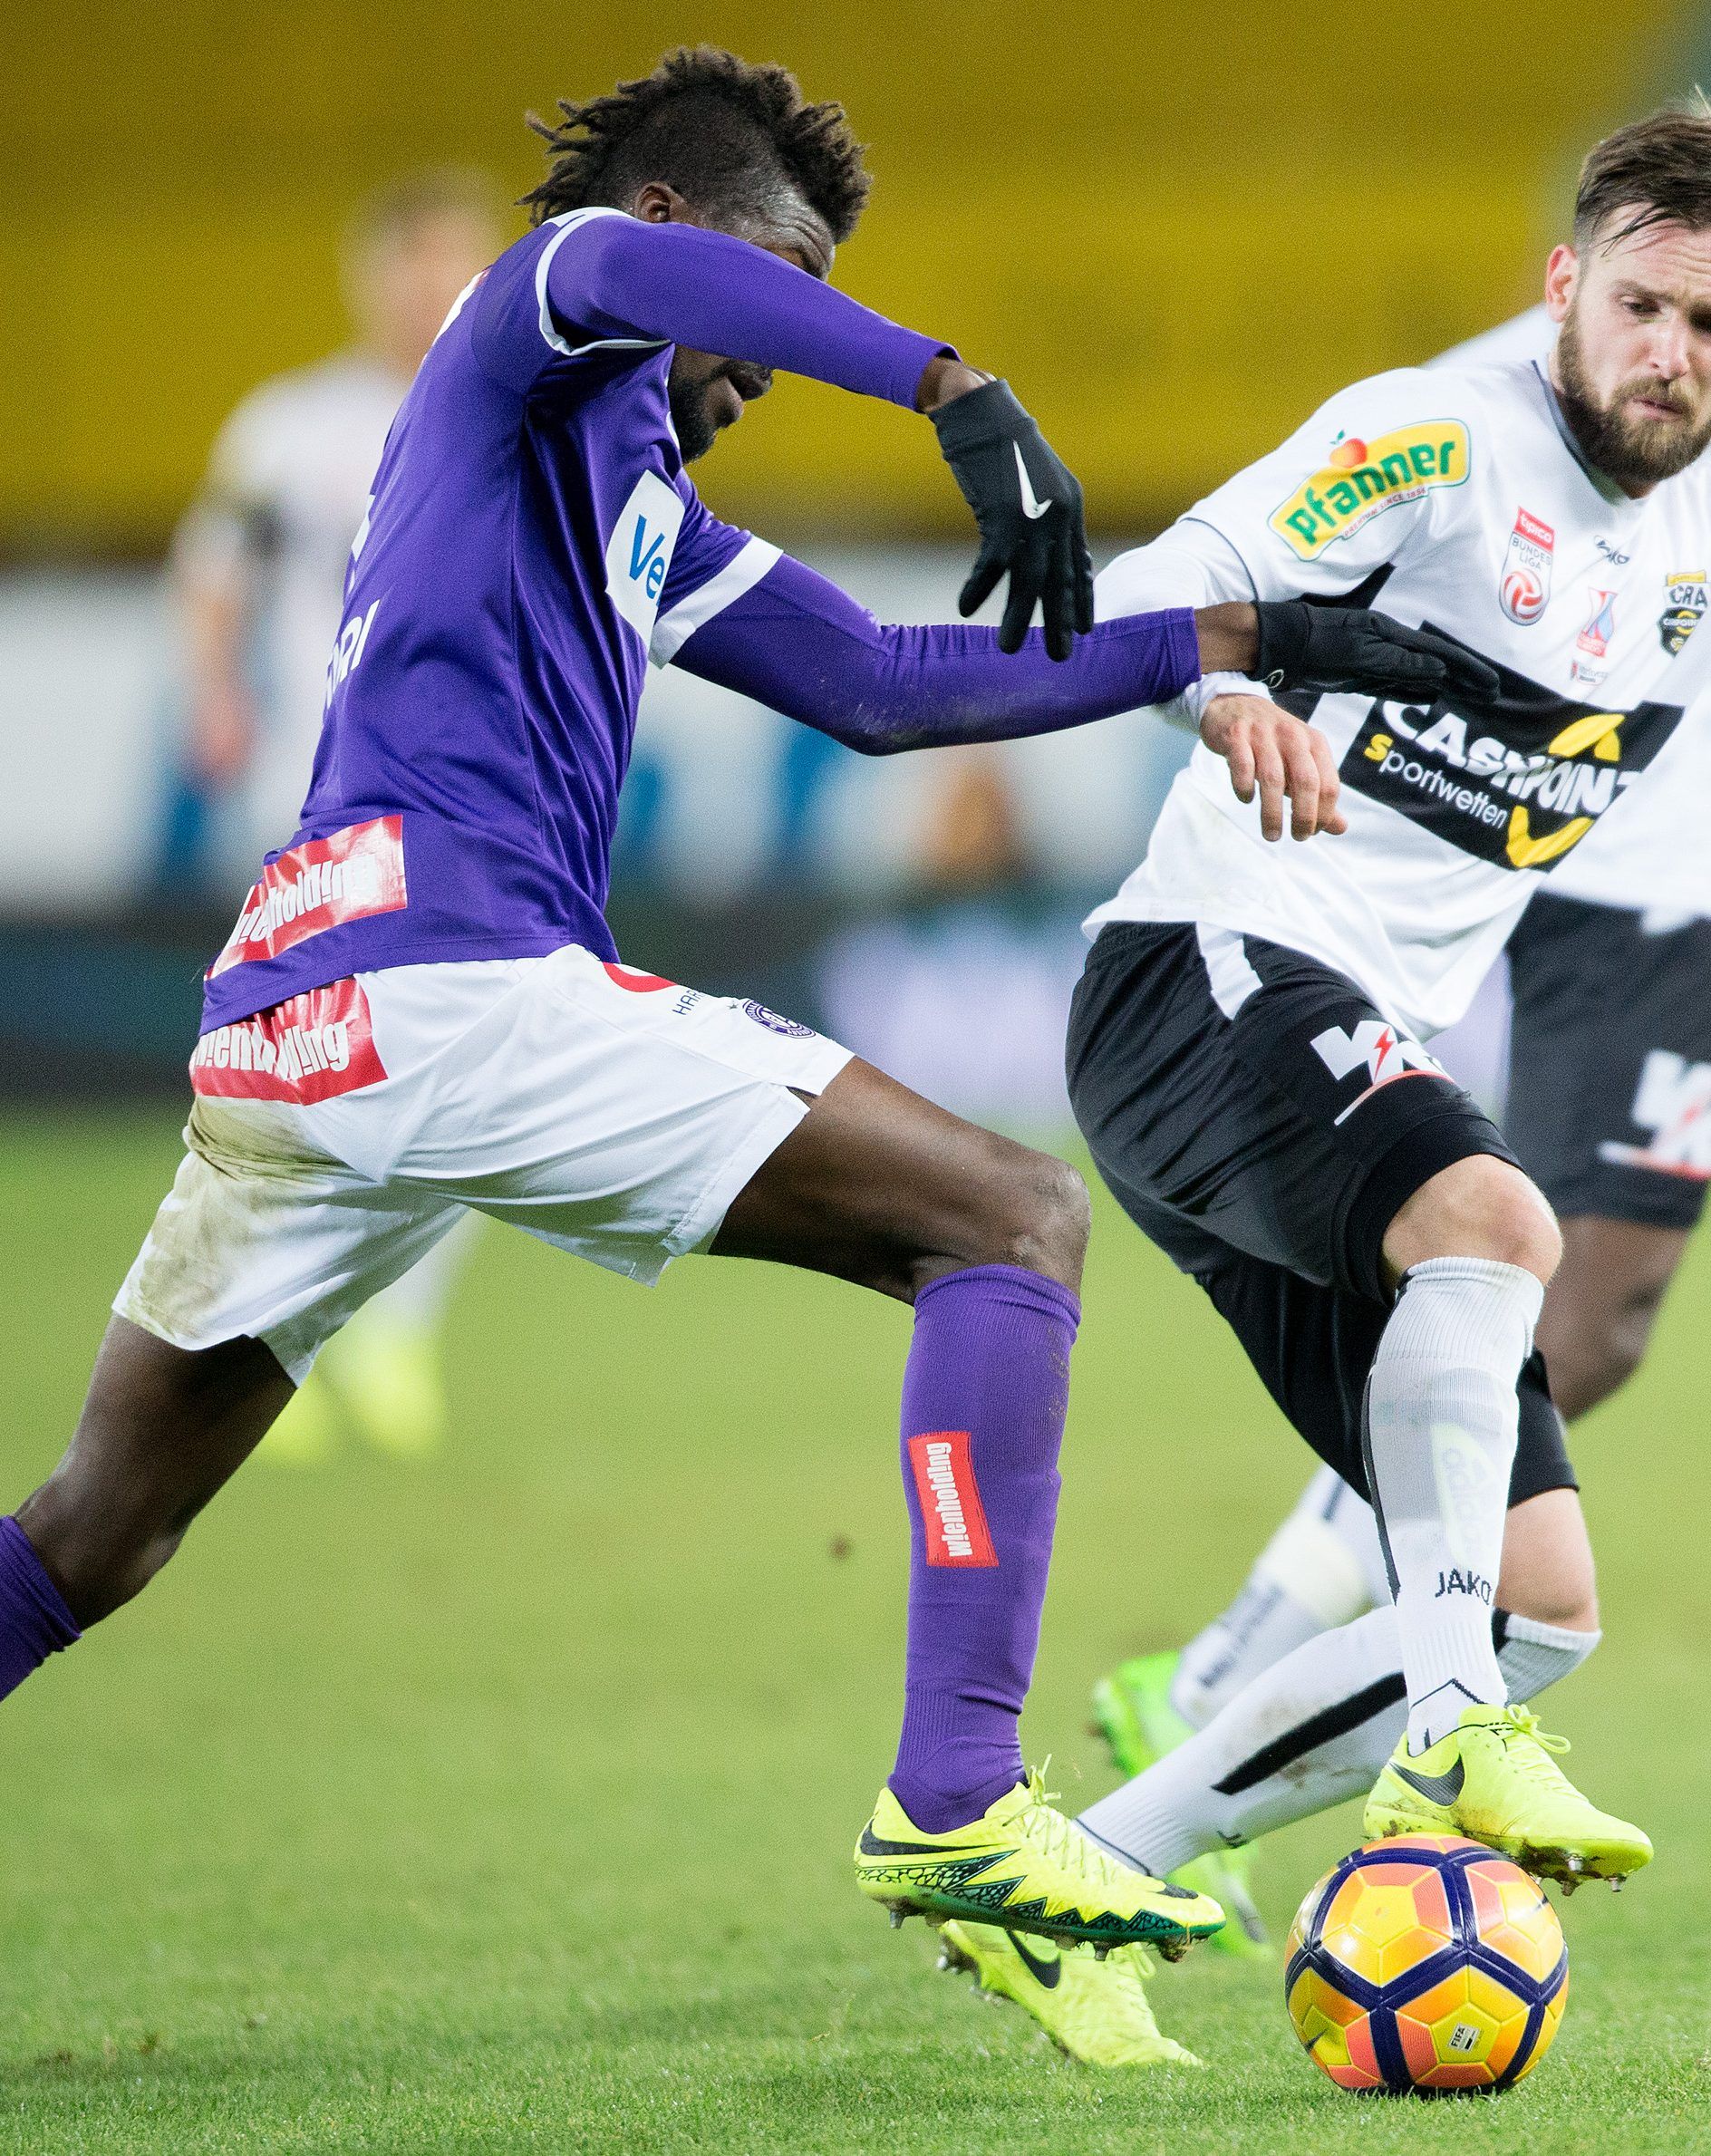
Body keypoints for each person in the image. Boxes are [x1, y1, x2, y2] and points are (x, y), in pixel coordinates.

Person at [0, 44, 1474, 1966]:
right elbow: (630, 274)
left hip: (300, 1020)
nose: (756, 372)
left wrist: (1235, 635)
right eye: (758, 308)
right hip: (451, 981)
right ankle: (956, 1798)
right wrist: (946, 379)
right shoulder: (520, 321)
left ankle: (956, 1796)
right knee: (1007, 1220)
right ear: (678, 228)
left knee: (90, 1535)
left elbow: (880, 679)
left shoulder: (617, 487)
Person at [935, 92, 1711, 2061]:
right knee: (1497, 1218)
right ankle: (1452, 1734)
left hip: (1327, 1050)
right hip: (1199, 979)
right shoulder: (1429, 437)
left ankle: (1075, 1872)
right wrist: (1222, 681)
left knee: (1537, 1596)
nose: (1668, 359)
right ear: (1561, 283)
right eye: (1641, 307)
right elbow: (1175, 567)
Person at [169, 170, 503, 1465]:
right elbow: (215, 573)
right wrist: (211, 691)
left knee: (470, 1058)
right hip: (313, 790)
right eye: (410, 263)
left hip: (472, 790)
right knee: (301, 1068)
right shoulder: (292, 428)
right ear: (368, 276)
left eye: (455, 261)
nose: (432, 289)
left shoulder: (519, 406)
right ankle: (266, 1332)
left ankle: (382, 1325)